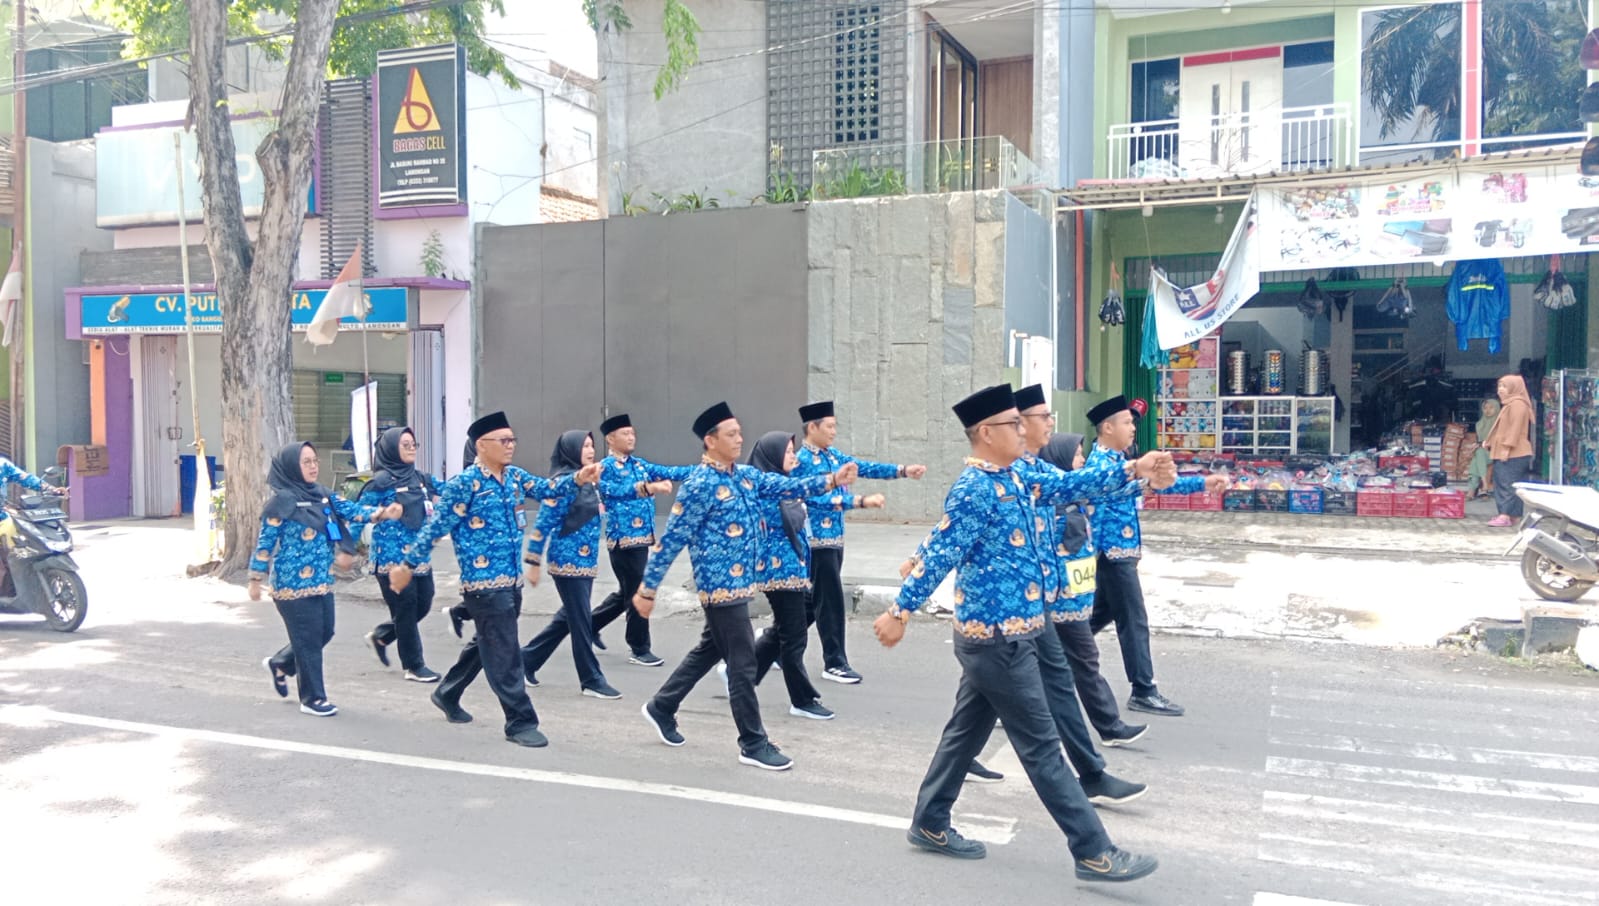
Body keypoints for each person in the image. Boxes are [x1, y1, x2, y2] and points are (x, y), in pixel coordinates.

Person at [873, 383, 1168, 883]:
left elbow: (1070, 486)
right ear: (986, 433)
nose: (1024, 429)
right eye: (1014, 423)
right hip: (994, 638)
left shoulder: (1022, 472)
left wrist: (1135, 470)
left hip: (1029, 625)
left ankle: (928, 821)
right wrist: (900, 611)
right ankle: (1094, 851)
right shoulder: (974, 489)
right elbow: (946, 548)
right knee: (1041, 745)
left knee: (965, 732)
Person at [908, 384, 1148, 801]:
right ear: (995, 430)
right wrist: (904, 600)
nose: (1047, 424)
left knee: (988, 709)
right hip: (998, 622)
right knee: (1032, 727)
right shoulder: (991, 477)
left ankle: (1086, 773)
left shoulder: (1027, 471)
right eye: (1034, 418)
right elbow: (954, 529)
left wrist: (1139, 471)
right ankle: (1091, 831)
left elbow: (1081, 485)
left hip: (1034, 610)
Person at [636, 402, 857, 771]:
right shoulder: (699, 485)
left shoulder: (745, 477)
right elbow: (671, 539)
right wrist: (647, 590)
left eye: (740, 432)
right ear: (710, 441)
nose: (740, 439)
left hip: (744, 584)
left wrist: (831, 480)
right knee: (742, 663)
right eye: (731, 434)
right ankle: (752, 742)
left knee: (709, 650)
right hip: (719, 588)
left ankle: (662, 706)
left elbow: (788, 485)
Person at [392, 412, 601, 748]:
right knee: (504, 651)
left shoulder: (514, 477)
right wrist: (407, 564)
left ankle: (448, 692)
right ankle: (520, 721)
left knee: (488, 642)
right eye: (503, 441)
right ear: (481, 446)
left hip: (511, 581)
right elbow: (436, 528)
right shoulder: (465, 485)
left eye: (513, 440)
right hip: (482, 584)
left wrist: (578, 478)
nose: (510, 446)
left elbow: (548, 488)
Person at [1086, 396, 1225, 718]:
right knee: (1133, 620)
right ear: (1107, 427)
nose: (1133, 428)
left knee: (1086, 623)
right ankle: (1143, 689)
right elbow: (1136, 488)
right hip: (1112, 555)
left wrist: (1203, 482)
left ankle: (1044, 666)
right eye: (1127, 422)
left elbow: (1159, 485)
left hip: (1121, 554)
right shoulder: (1102, 466)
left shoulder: (1120, 460)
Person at [251, 442, 402, 716]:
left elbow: (352, 511)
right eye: (305, 462)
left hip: (321, 581)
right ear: (291, 467)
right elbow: (265, 543)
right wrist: (254, 579)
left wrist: (381, 513)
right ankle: (312, 698)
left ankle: (281, 663)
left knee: (325, 632)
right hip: (291, 587)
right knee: (308, 640)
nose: (312, 466)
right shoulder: (282, 501)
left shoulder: (322, 495)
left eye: (314, 461)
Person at [793, 400, 926, 685]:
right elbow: (815, 499)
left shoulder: (833, 455)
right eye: (829, 426)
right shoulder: (801, 462)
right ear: (812, 427)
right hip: (817, 542)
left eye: (834, 426)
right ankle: (835, 662)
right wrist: (858, 501)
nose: (833, 431)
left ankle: (777, 645)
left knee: (811, 602)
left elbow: (865, 467)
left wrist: (903, 470)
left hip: (836, 539)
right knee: (830, 602)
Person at [1039, 432, 1146, 747]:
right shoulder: (1051, 499)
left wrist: (1146, 478)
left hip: (1075, 600)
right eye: (1076, 455)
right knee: (1081, 660)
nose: (1082, 460)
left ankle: (1105, 728)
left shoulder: (1075, 495)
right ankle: (1107, 729)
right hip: (1058, 602)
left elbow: (1113, 489)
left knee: (1049, 664)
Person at [520, 431, 622, 699]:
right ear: (571, 450)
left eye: (591, 445)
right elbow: (542, 523)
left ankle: (526, 661)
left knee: (568, 617)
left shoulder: (589, 481)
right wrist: (532, 560)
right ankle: (591, 679)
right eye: (584, 446)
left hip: (586, 560)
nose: (590, 450)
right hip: (567, 562)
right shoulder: (562, 484)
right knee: (580, 622)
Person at [588, 413, 691, 666]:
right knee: (637, 592)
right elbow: (614, 493)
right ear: (611, 439)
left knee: (627, 591)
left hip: (642, 539)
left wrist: (706, 467)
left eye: (633, 433)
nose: (631, 437)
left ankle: (590, 624)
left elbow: (671, 471)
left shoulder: (640, 465)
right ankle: (639, 647)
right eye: (625, 433)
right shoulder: (605, 468)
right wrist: (648, 488)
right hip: (623, 541)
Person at [746, 431, 832, 720]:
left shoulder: (782, 485)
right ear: (772, 456)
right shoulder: (768, 489)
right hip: (778, 572)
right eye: (789, 452)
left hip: (792, 569)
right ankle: (802, 700)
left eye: (794, 451)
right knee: (794, 638)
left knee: (798, 619)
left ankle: (747, 672)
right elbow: (793, 513)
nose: (793, 456)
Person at [359, 427, 442, 683]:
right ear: (391, 448)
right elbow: (358, 513)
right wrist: (348, 547)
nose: (411, 448)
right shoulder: (380, 482)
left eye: (413, 444)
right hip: (390, 559)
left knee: (424, 603)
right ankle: (414, 665)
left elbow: (452, 490)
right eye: (405, 444)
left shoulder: (421, 478)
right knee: (406, 608)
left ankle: (382, 636)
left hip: (418, 557)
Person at [1486, 374, 1535, 527]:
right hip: (1511, 452)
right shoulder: (1510, 404)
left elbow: (1514, 430)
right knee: (1512, 485)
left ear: (1514, 388)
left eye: (1504, 386)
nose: (1500, 390)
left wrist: (1505, 449)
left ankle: (1504, 515)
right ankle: (1514, 516)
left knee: (1505, 484)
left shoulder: (1517, 405)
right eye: (1499, 386)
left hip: (1513, 452)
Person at [1466, 397, 1501, 500]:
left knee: (1478, 455)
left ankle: (1473, 490)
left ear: (1497, 409)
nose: (1488, 410)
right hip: (1484, 452)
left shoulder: (1500, 424)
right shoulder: (1480, 424)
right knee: (1478, 456)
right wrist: (1476, 445)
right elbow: (1480, 440)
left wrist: (1481, 445)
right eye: (1485, 408)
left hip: (1496, 452)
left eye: (1491, 407)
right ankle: (1484, 488)